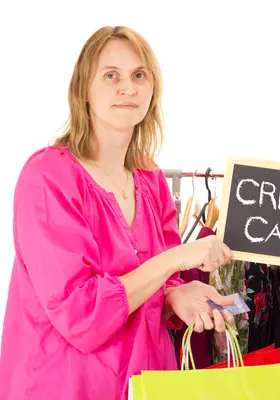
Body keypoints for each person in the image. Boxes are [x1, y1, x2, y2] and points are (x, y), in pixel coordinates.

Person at [0, 26, 236, 400]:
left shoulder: (150, 178)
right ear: (84, 91)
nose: (128, 88)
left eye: (139, 75)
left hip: (144, 382)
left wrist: (177, 293)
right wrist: (175, 260)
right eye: (112, 75)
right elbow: (80, 315)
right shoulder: (47, 178)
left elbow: (159, 280)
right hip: (64, 384)